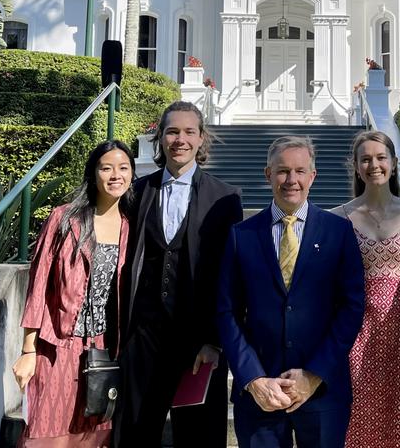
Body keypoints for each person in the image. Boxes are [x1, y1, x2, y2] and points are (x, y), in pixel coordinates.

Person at [217, 135, 365, 448]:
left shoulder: (338, 231)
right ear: (268, 174)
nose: (291, 180)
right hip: (261, 393)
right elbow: (226, 312)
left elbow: (352, 307)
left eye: (300, 171)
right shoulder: (240, 235)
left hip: (322, 389)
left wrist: (314, 375)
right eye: (283, 171)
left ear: (313, 176)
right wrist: (253, 379)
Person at [115, 101, 243, 447]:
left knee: (198, 439)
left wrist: (215, 341)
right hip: (142, 337)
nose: (180, 139)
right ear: (160, 138)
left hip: (199, 343)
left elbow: (230, 276)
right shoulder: (137, 191)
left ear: (202, 139)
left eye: (189, 132)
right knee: (135, 434)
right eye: (172, 131)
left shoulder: (226, 198)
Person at [12, 140, 135, 447]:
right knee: (47, 431)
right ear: (93, 174)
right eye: (106, 168)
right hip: (57, 347)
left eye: (123, 168)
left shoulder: (131, 229)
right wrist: (29, 351)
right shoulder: (65, 219)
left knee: (94, 434)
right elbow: (39, 286)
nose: (115, 175)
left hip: (105, 349)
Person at [332, 131, 400, 448]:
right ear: (356, 167)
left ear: (394, 162)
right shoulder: (338, 218)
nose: (374, 165)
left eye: (380, 157)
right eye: (365, 159)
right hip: (356, 337)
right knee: (356, 419)